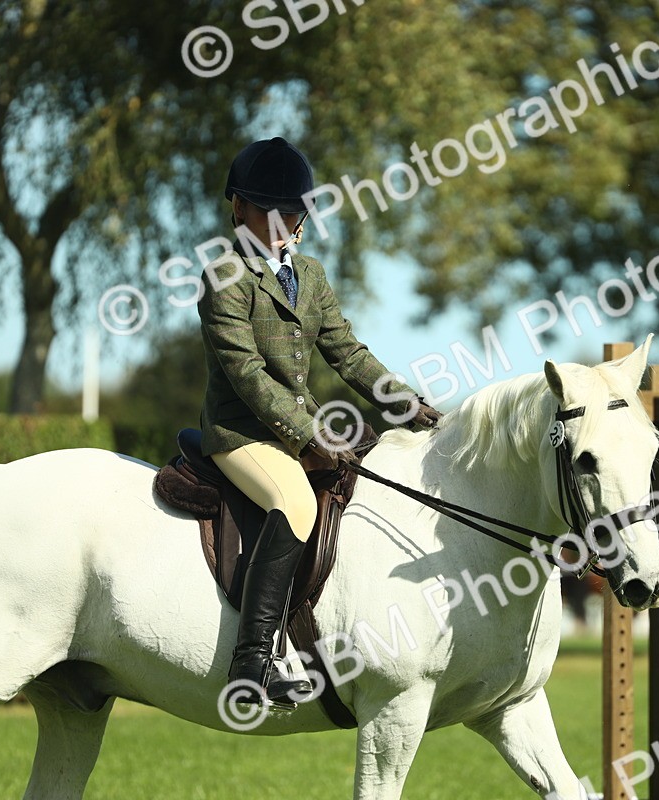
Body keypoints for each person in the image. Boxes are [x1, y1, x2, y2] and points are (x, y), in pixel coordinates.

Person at [197, 137, 442, 706]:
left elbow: (347, 353)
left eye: (291, 213)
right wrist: (310, 434)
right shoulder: (223, 276)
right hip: (240, 434)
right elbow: (248, 375)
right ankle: (251, 663)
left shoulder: (309, 274)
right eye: (268, 212)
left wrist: (408, 404)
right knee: (296, 503)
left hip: (297, 426)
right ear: (239, 209)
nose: (281, 224)